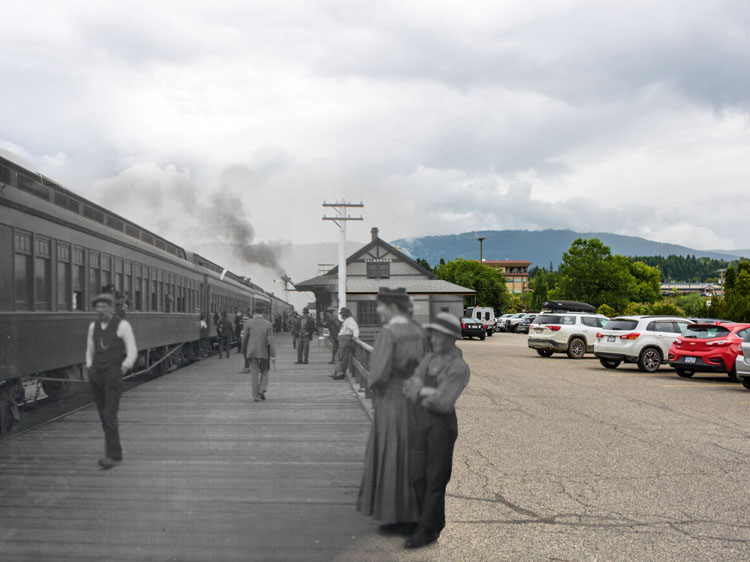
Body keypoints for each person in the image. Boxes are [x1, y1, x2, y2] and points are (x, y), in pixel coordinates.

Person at [356, 287, 429, 535]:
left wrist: (374, 386)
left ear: (392, 307)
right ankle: (416, 514)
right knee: (414, 454)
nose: (378, 311)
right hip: (416, 400)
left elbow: (377, 375)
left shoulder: (389, 333)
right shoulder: (419, 331)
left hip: (393, 400)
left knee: (392, 453)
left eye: (380, 306)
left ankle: (397, 516)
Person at [402, 312, 470, 549]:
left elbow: (443, 402)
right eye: (432, 334)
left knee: (435, 479)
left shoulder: (459, 367)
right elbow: (409, 387)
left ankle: (430, 529)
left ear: (450, 338)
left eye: (438, 335)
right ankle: (421, 520)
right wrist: (426, 392)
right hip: (422, 421)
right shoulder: (430, 359)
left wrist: (422, 392)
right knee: (417, 475)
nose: (433, 339)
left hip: (442, 426)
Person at [85, 293, 138, 469]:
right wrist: (89, 366)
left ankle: (112, 455)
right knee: (103, 415)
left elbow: (132, 351)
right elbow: (90, 349)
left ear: (111, 308)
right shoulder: (93, 326)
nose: (100, 310)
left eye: (104, 307)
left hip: (113, 377)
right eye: (98, 307)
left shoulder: (122, 325)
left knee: (109, 414)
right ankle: (115, 453)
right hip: (97, 376)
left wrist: (124, 367)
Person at [242, 306, 276, 402]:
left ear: (254, 311)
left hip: (251, 351)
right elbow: (270, 341)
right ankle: (261, 390)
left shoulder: (248, 322)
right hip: (264, 351)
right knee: (265, 371)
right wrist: (273, 355)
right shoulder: (268, 324)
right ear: (263, 312)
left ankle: (255, 396)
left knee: (254, 374)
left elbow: (244, 338)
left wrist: (243, 350)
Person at [332, 307, 358, 380]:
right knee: (342, 357)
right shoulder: (346, 321)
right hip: (343, 339)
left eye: (342, 314)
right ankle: (339, 372)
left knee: (339, 357)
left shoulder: (350, 321)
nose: (341, 316)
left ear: (345, 315)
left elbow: (355, 329)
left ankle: (340, 372)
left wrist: (355, 336)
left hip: (345, 340)